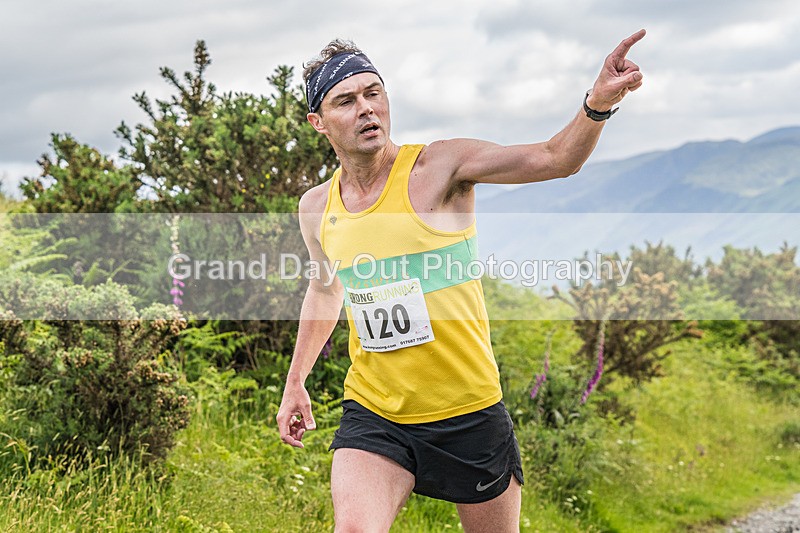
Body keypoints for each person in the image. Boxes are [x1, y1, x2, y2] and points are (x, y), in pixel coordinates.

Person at [276, 29, 646, 532]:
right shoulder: (316, 207)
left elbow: (557, 158)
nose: (367, 109)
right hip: (376, 412)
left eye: (374, 93)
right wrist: (295, 380)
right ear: (318, 122)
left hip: (468, 410)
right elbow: (325, 289)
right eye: (346, 100)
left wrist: (597, 104)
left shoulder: (440, 167)